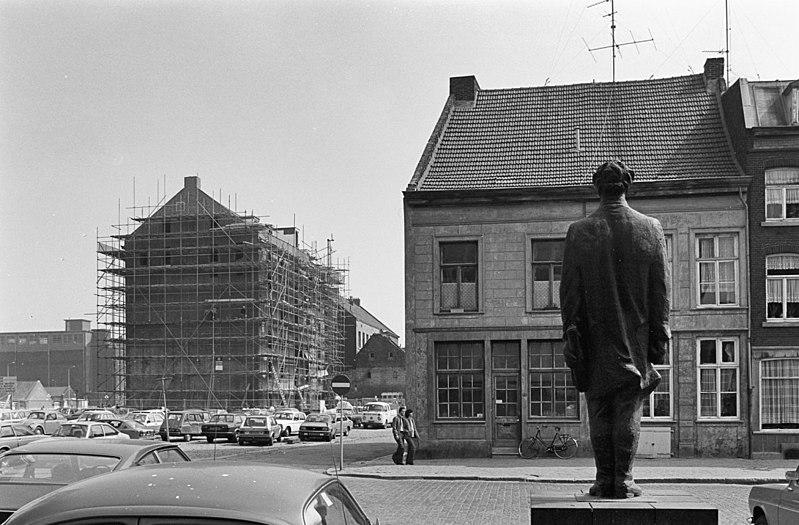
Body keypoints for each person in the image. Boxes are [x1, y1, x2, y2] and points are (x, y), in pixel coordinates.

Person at [560, 160, 671, 500]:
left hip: (594, 340)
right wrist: (660, 335)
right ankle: (623, 480)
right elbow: (660, 290)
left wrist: (572, 335)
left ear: (597, 187)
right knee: (628, 406)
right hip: (635, 338)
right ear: (628, 185)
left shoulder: (579, 231)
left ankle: (603, 478)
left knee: (600, 410)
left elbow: (569, 295)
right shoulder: (650, 228)